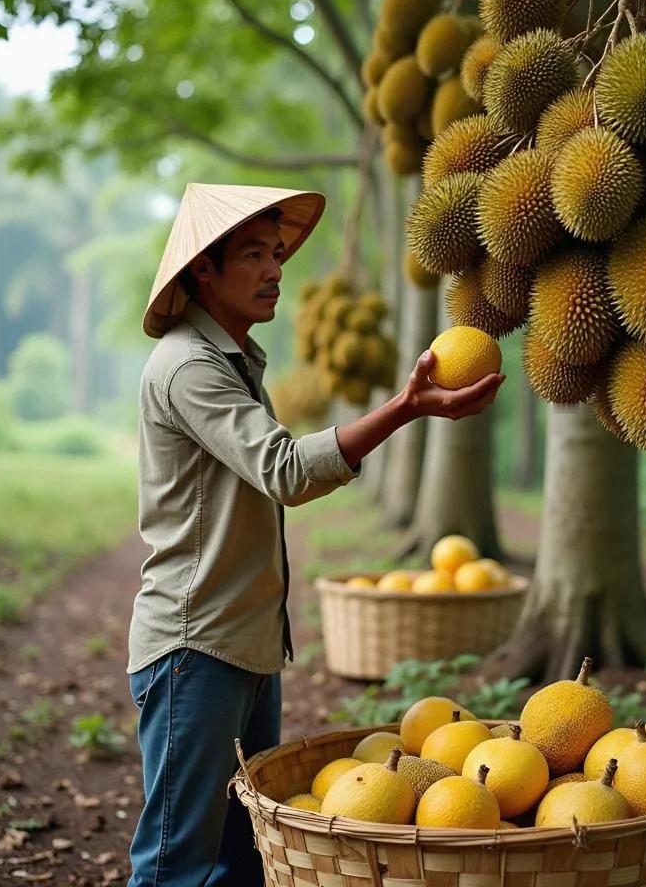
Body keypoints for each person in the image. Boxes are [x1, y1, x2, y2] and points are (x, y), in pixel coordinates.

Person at [127, 183, 503, 886]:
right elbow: (287, 471)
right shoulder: (187, 366)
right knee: (175, 864)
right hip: (193, 648)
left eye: (277, 253)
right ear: (203, 270)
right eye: (253, 256)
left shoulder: (235, 361)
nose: (276, 270)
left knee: (245, 856)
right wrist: (407, 406)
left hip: (243, 643)